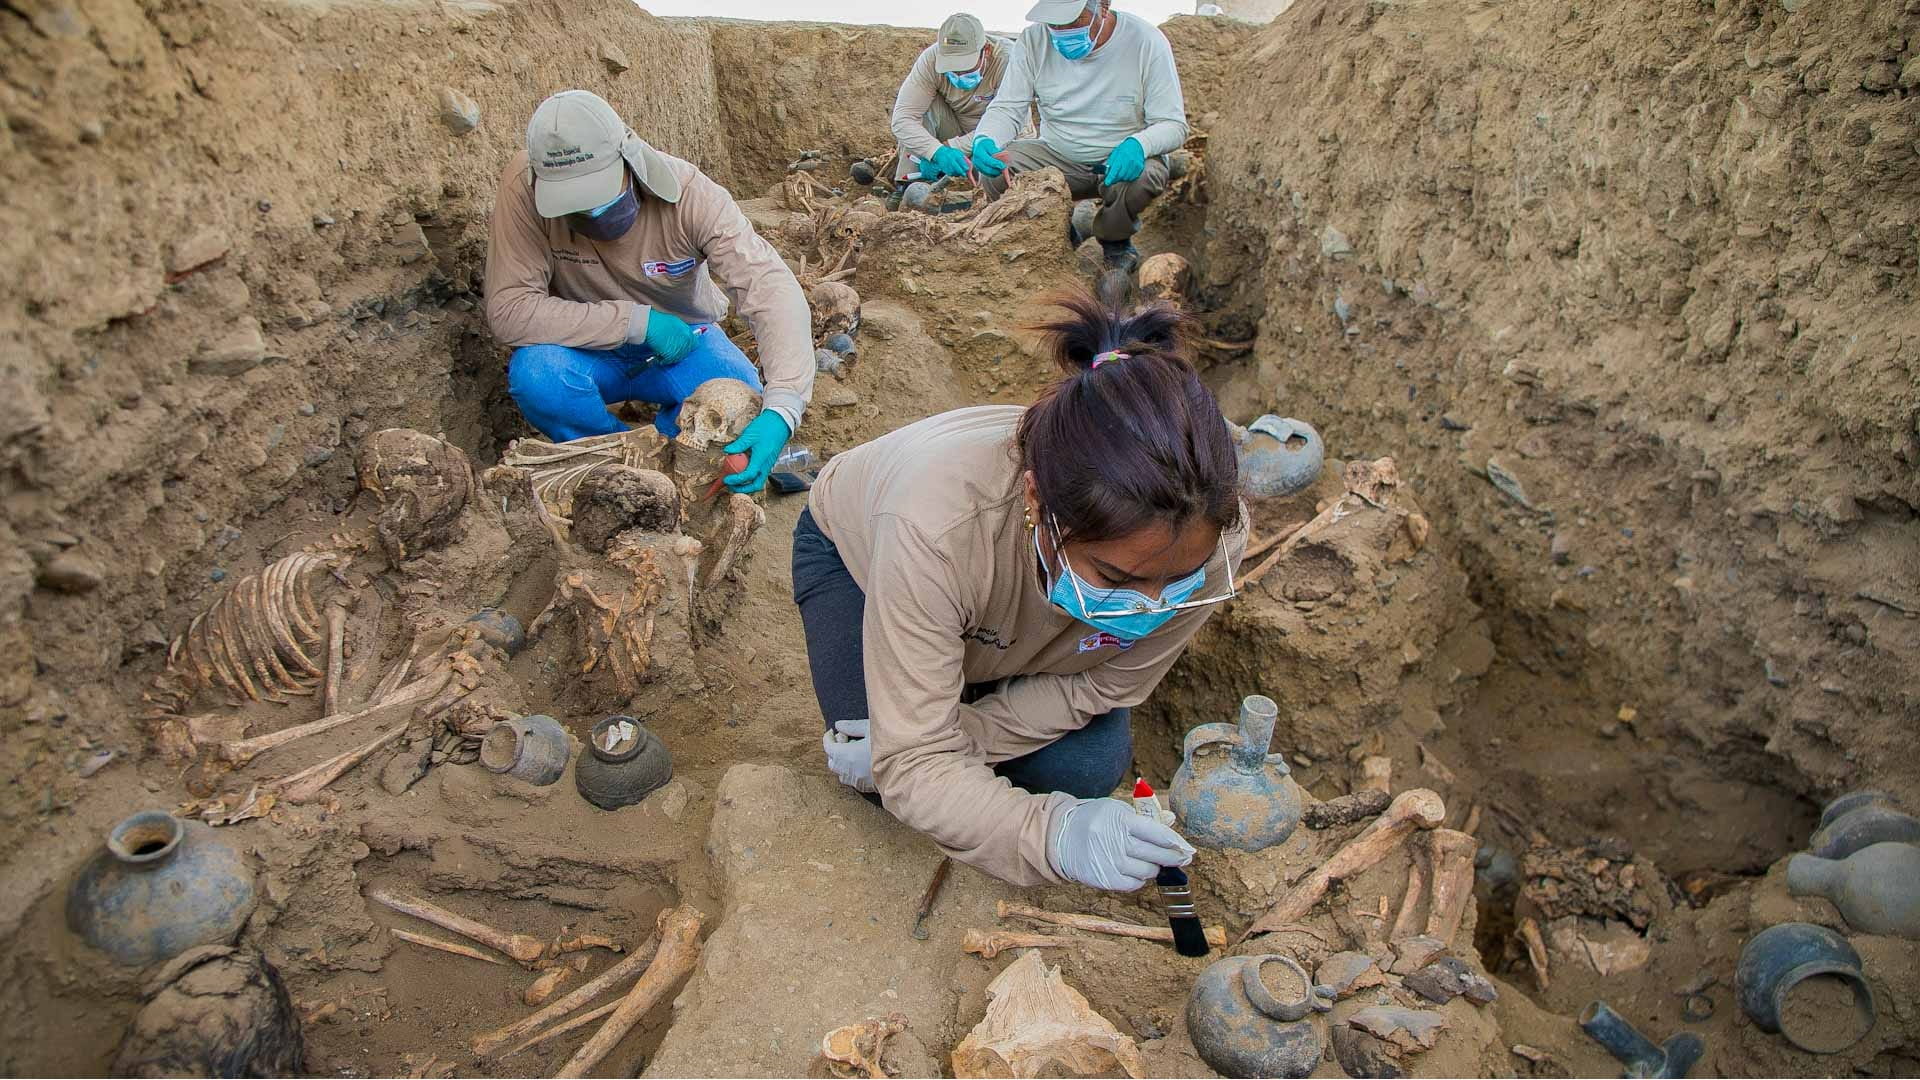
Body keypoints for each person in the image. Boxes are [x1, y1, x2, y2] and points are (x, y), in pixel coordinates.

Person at [792, 291, 1247, 889]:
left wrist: (966, 737)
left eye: (1176, 581)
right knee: (886, 774)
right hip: (859, 561)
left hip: (1006, 620)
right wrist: (1049, 835)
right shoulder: (934, 527)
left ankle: (972, 692)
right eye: (1116, 579)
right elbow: (916, 765)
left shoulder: (1212, 539)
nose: (1153, 605)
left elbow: (1110, 681)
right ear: (1037, 501)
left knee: (1085, 767)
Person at [485, 89, 812, 493]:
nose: (590, 215)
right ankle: (608, 455)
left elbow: (770, 287)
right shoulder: (524, 186)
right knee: (538, 376)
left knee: (735, 399)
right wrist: (634, 322)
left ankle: (673, 449)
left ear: (629, 159)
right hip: (581, 348)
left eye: (599, 197)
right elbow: (509, 309)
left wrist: (783, 408)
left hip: (682, 343)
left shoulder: (692, 195)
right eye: (574, 206)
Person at [969, 0, 1188, 272]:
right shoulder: (1034, 40)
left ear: (1103, 7)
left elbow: (1173, 124)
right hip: (1059, 156)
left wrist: (1138, 144)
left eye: (1072, 22)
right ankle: (1058, 235)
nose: (1061, 31)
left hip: (1120, 161)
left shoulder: (1146, 41)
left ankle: (1115, 243)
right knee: (996, 169)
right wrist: (985, 138)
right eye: (1053, 23)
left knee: (1140, 180)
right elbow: (1008, 106)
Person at [888, 13, 1016, 205]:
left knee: (1006, 168)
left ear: (986, 51)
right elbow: (902, 119)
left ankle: (983, 194)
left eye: (965, 68)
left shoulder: (1009, 60)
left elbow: (1015, 123)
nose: (958, 74)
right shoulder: (931, 60)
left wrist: (951, 147)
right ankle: (910, 187)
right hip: (954, 126)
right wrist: (936, 152)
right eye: (952, 68)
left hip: (998, 139)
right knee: (920, 110)